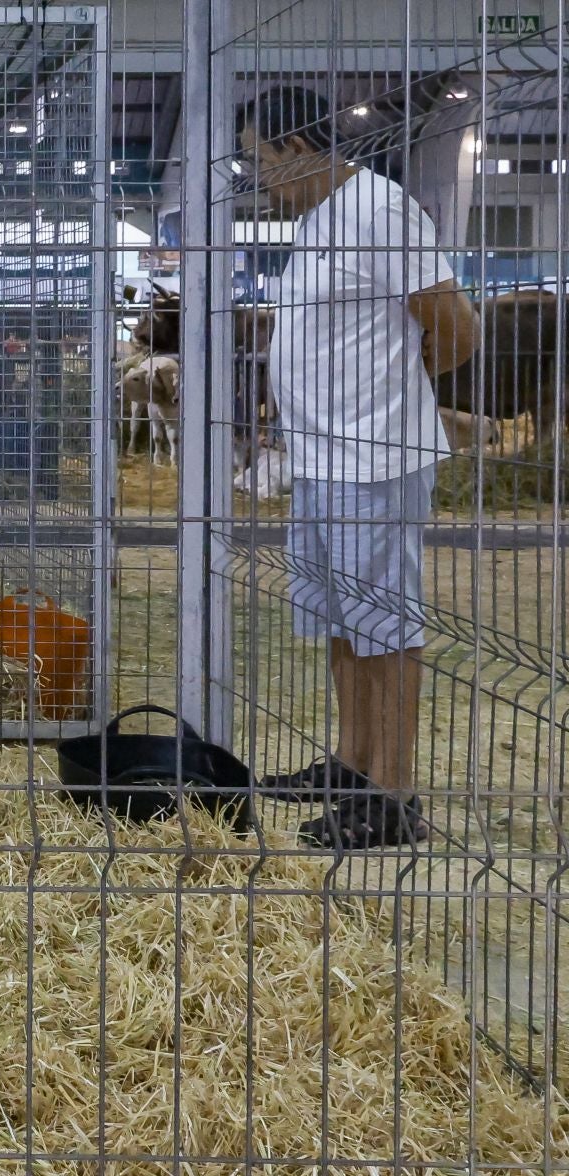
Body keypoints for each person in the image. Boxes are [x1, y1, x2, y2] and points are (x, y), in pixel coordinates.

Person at [237, 86, 480, 848]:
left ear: (296, 149)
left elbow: (457, 328)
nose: (256, 177)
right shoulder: (317, 220)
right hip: (321, 457)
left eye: (259, 161)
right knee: (346, 623)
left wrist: (391, 399)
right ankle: (353, 765)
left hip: (372, 458)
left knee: (385, 626)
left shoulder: (379, 209)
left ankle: (393, 795)